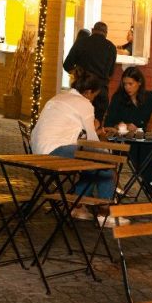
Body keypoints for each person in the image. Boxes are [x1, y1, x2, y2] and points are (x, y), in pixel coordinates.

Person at [31, 71, 122, 226]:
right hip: (56, 150)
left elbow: (68, 131)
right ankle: (104, 212)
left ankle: (77, 206)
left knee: (91, 166)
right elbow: (92, 141)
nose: (93, 99)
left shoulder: (59, 97)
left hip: (38, 151)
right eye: (94, 96)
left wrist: (94, 131)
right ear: (88, 92)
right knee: (104, 161)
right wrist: (101, 140)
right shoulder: (84, 104)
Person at [62, 21, 117, 122]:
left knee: (78, 123)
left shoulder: (81, 42)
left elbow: (67, 65)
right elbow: (110, 73)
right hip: (100, 91)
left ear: (92, 30)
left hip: (82, 90)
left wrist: (78, 75)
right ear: (106, 33)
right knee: (96, 124)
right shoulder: (111, 48)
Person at [103, 66, 152, 134]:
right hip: (121, 140)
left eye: (130, 84)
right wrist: (124, 126)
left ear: (139, 82)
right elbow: (107, 124)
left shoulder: (151, 97)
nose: (127, 87)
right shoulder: (118, 98)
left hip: (141, 140)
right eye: (125, 84)